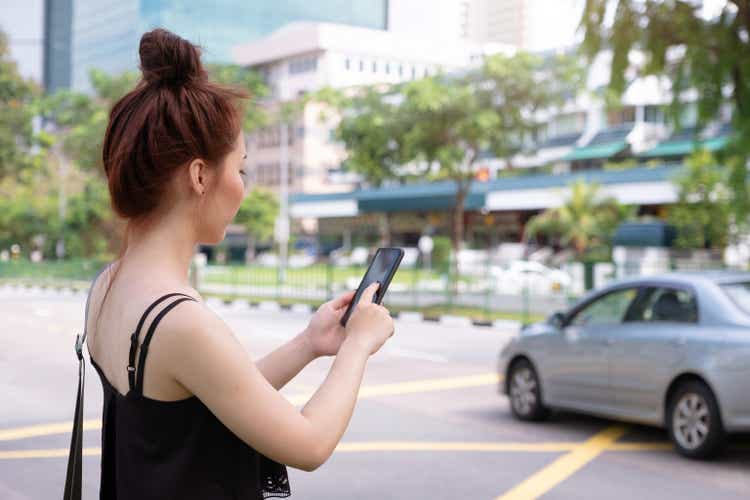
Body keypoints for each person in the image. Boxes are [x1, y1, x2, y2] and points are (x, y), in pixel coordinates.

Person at [84, 28, 395, 499]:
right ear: (200, 175)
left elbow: (205, 396)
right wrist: (359, 346)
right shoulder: (179, 319)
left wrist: (310, 343)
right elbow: (309, 445)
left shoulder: (109, 284)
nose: (244, 187)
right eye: (242, 169)